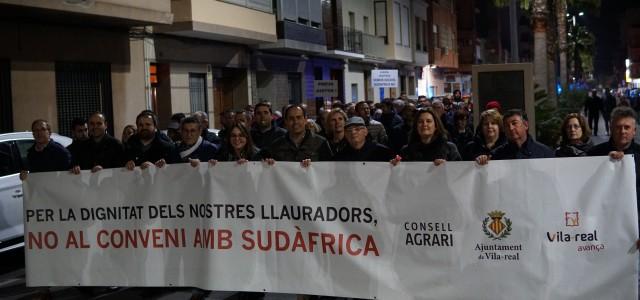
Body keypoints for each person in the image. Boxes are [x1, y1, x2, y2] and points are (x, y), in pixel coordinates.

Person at [261, 104, 332, 167]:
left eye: (299, 117)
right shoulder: (276, 145)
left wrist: (313, 167)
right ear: (286, 121)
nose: (295, 122)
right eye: (291, 118)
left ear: (305, 120)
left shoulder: (321, 143)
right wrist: (268, 164)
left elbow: (330, 168)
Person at [488, 109, 554, 161]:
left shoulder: (544, 153)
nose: (511, 128)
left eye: (514, 123)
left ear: (526, 125)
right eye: (507, 126)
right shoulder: (496, 155)